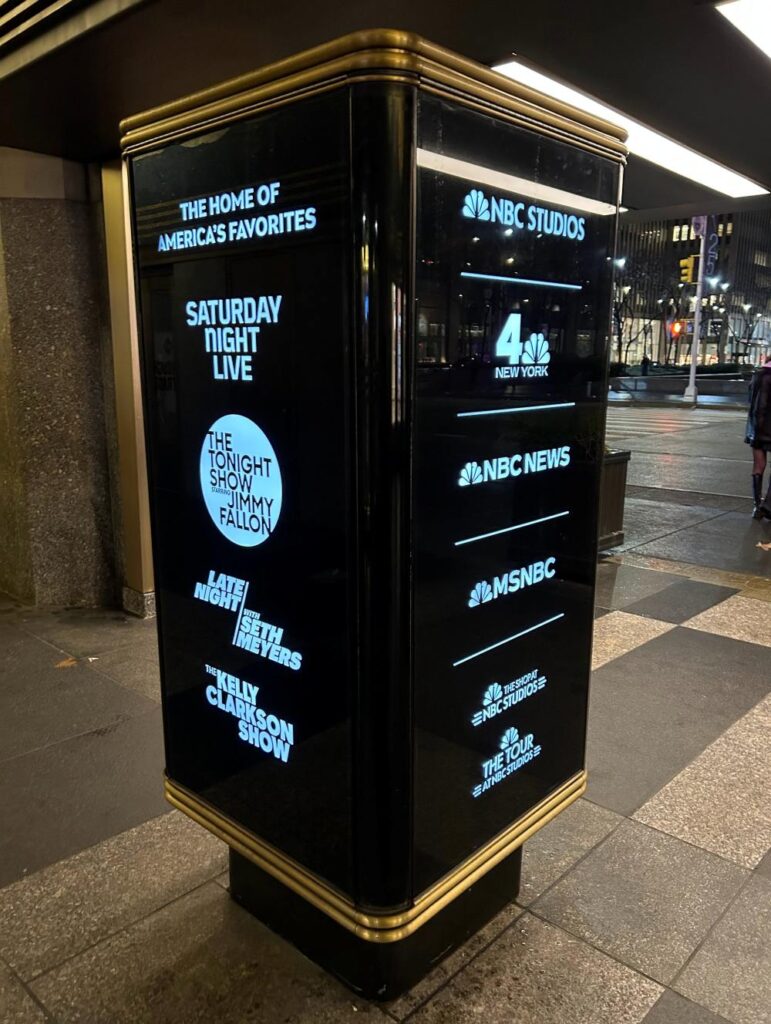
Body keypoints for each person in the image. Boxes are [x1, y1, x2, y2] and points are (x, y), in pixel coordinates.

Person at [745, 353, 771, 519]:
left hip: (757, 428)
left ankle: (757, 506)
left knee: (758, 466)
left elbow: (752, 402)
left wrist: (756, 426)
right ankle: (768, 505)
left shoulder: (757, 376)